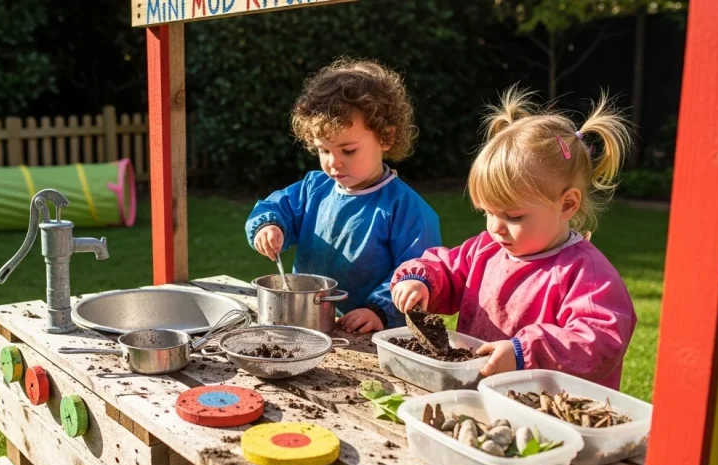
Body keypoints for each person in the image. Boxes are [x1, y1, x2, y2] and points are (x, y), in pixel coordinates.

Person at [391, 87, 637, 389]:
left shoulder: (585, 274)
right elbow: (448, 268)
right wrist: (420, 280)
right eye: (487, 212)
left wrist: (524, 352)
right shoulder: (486, 249)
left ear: (567, 205)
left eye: (514, 216)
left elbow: (599, 341)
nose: (496, 227)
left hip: (546, 411)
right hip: (480, 392)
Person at [246, 57, 441, 333]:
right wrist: (268, 225)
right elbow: (278, 207)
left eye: (348, 151)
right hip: (303, 323)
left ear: (385, 137)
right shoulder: (314, 187)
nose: (333, 163)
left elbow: (419, 272)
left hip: (368, 335)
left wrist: (379, 311)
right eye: (324, 150)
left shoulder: (407, 210)